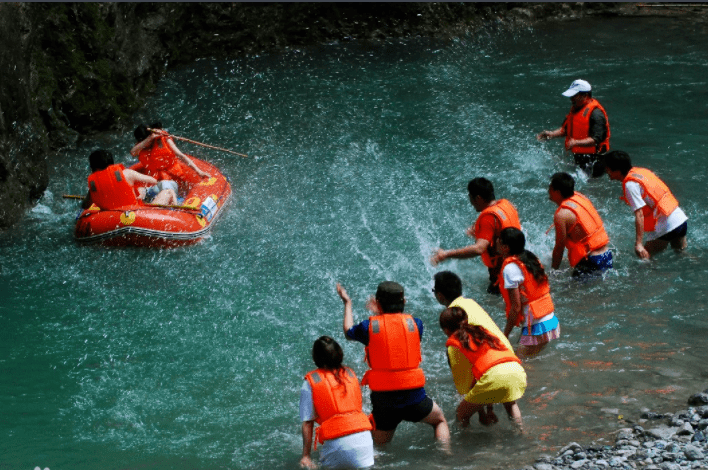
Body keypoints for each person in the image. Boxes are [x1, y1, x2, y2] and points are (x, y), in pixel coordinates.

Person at [337, 281, 450, 446]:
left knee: (379, 448)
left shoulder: (368, 327)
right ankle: (445, 456)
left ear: (377, 303)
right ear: (404, 302)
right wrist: (383, 311)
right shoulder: (416, 324)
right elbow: (396, 330)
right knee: (439, 421)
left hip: (385, 403)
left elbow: (348, 331)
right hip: (415, 398)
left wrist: (348, 303)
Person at [439, 306, 526, 430]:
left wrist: (482, 413)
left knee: (461, 415)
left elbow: (469, 384)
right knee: (510, 402)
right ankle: (520, 432)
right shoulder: (482, 330)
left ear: (446, 330)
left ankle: (465, 446)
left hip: (494, 377)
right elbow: (486, 371)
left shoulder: (454, 345)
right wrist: (487, 411)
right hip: (516, 370)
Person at [431, 178, 521, 295]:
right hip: (518, 264)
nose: (471, 202)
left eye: (470, 198)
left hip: (503, 275)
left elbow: (479, 249)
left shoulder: (488, 218)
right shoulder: (506, 205)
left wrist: (446, 254)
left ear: (478, 198)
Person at [299, 336, 374, 470]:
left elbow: (308, 423)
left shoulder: (311, 381)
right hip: (365, 442)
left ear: (316, 357)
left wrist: (306, 456)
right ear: (340, 353)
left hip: (338, 446)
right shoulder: (350, 374)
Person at [605, 150, 688, 259]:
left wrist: (638, 244)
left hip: (666, 225)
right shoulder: (642, 172)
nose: (607, 172)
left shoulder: (630, 185)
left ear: (617, 170)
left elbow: (639, 214)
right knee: (682, 256)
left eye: (608, 169)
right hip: (680, 219)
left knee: (644, 259)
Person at [496, 228, 560, 358]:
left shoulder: (510, 269)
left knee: (521, 365)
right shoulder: (529, 258)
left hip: (537, 327)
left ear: (506, 247)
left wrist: (505, 335)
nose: (496, 241)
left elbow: (516, 307)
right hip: (549, 321)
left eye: (499, 239)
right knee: (528, 361)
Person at [537, 79, 610, 177]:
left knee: (592, 184)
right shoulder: (575, 109)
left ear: (584, 95)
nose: (571, 99)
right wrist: (551, 134)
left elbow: (597, 139)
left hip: (594, 159)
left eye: (574, 96)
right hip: (580, 156)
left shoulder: (596, 114)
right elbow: (566, 130)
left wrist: (576, 142)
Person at [548, 172, 613, 277]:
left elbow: (559, 248)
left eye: (550, 188)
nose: (548, 191)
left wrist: (553, 273)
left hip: (591, 262)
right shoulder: (580, 197)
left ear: (557, 192)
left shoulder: (561, 215)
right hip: (606, 255)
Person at [431, 270, 513, 352]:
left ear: (440, 296)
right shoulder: (470, 303)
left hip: (494, 359)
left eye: (433, 290)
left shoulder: (453, 316)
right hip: (509, 353)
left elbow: (457, 348)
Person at [82, 149, 177, 210]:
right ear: (112, 163)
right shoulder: (127, 173)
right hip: (137, 215)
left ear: (93, 167)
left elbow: (85, 205)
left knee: (140, 191)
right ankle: (178, 212)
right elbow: (153, 181)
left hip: (111, 220)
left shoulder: (93, 186)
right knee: (168, 192)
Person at [131, 122, 210, 186]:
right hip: (154, 178)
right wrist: (148, 139)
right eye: (142, 142)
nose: (145, 144)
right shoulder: (140, 145)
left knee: (166, 186)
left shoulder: (163, 138)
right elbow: (133, 152)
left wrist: (198, 171)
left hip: (172, 173)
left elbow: (180, 155)